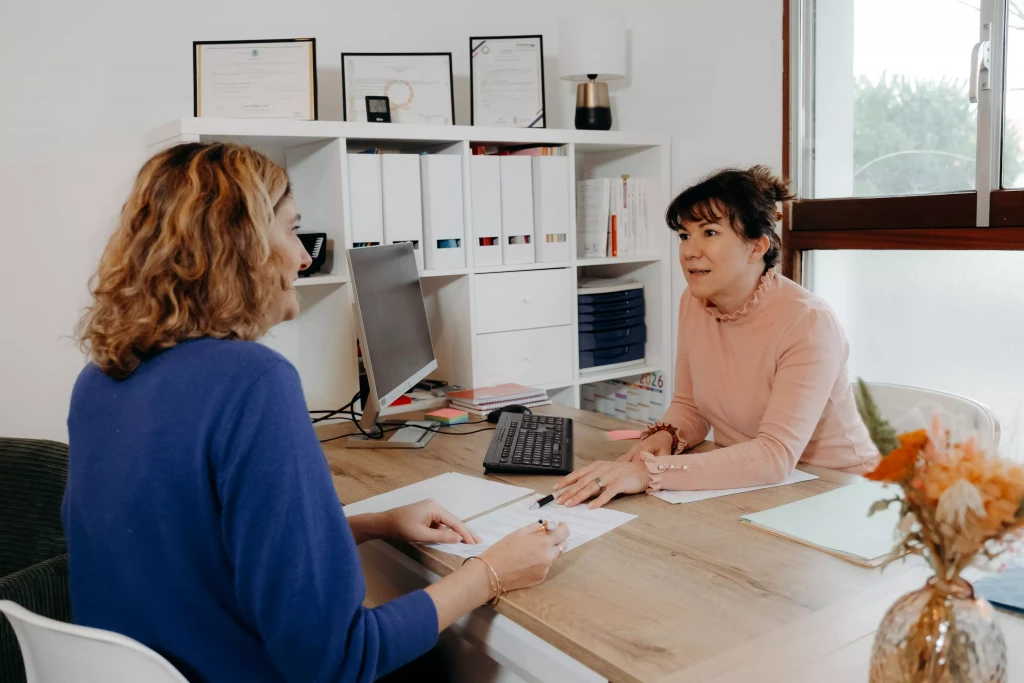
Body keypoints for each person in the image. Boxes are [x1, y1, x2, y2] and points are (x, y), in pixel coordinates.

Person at [64, 142, 570, 683]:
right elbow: (341, 661)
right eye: (292, 230)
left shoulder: (99, 381)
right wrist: (490, 572)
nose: (304, 258)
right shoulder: (252, 383)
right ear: (243, 245)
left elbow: (201, 557)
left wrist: (372, 525)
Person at [554, 166, 878, 509]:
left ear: (757, 246)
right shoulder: (693, 302)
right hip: (752, 485)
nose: (689, 251)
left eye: (709, 233)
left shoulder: (808, 322)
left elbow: (775, 456)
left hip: (841, 493)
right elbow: (690, 406)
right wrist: (666, 436)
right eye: (684, 235)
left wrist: (650, 473)